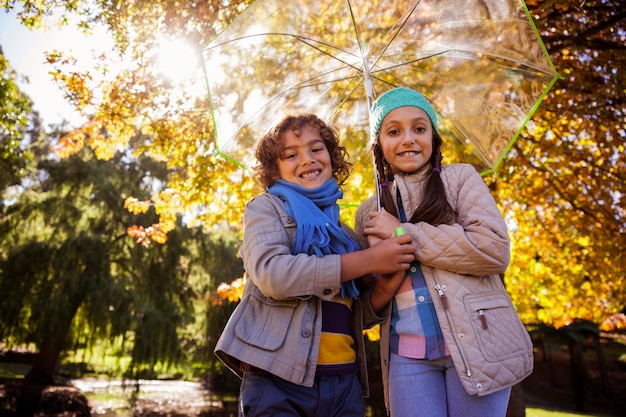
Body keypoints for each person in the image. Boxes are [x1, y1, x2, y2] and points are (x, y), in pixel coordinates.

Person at [215, 113, 416, 417]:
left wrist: (385, 286)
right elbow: (274, 276)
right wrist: (366, 260)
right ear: (275, 169)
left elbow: (351, 317)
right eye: (291, 154)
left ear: (332, 158)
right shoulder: (266, 210)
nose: (307, 159)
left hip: (344, 384)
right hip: (279, 380)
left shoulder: (345, 235)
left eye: (316, 149)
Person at [355, 88, 534, 417]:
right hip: (406, 355)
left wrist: (404, 233)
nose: (408, 139)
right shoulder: (370, 212)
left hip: (478, 346)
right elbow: (365, 309)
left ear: (434, 138)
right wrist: (380, 274)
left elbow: (493, 250)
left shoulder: (461, 179)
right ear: (378, 144)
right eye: (393, 131)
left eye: (419, 129)